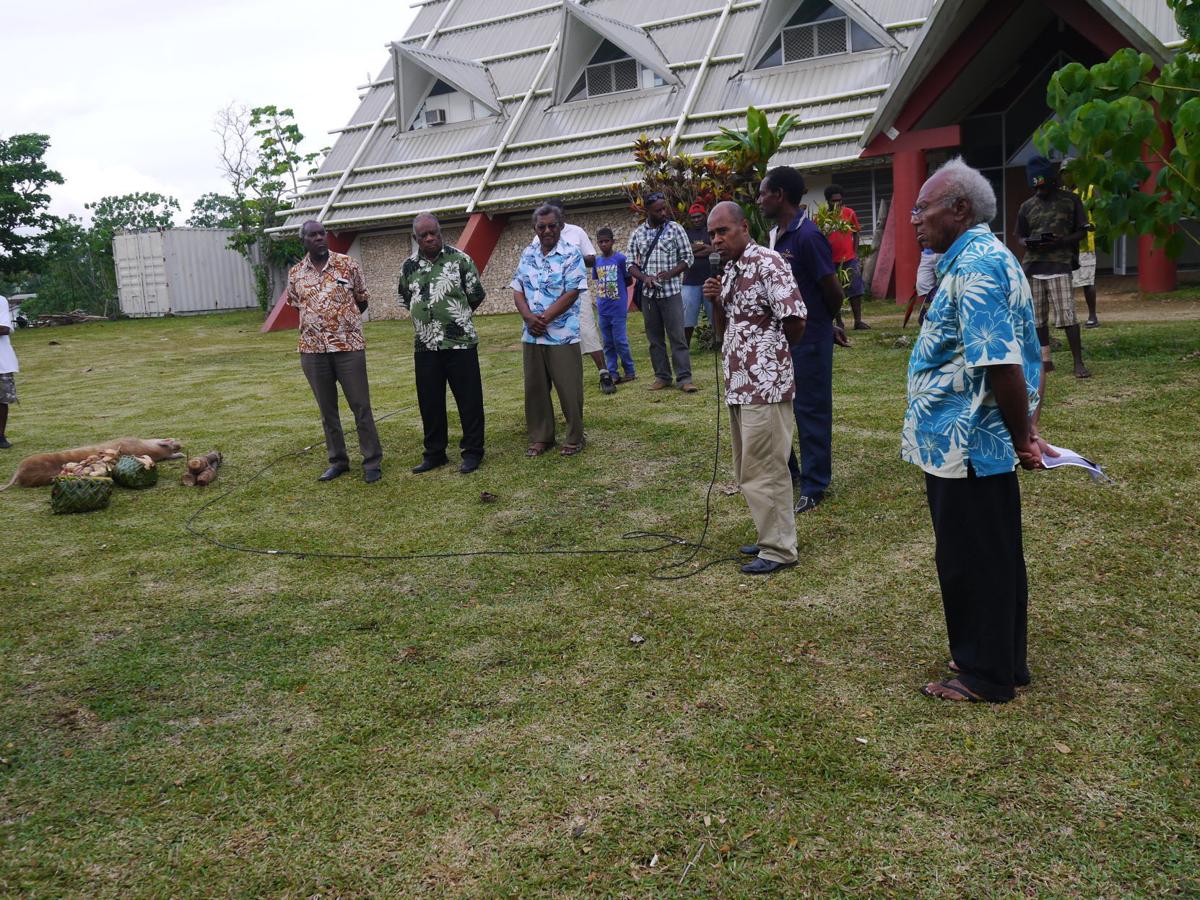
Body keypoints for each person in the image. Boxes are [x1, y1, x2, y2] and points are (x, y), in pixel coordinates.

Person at [906, 157, 1055, 703]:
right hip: (967, 440)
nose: (914, 218)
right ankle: (999, 658)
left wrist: (1023, 438)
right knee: (991, 551)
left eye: (923, 207)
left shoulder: (976, 268)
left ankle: (984, 674)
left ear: (959, 208)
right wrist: (1028, 428)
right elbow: (1028, 350)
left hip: (967, 440)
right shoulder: (985, 258)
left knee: (972, 556)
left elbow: (1002, 363)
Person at [702, 201, 807, 575]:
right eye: (712, 233)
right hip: (738, 385)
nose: (716, 239)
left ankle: (779, 550)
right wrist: (715, 301)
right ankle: (770, 534)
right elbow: (723, 329)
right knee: (748, 467)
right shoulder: (729, 270)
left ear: (744, 227)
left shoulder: (769, 263)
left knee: (767, 467)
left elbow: (795, 319)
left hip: (764, 386)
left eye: (723, 231)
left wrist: (770, 358)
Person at [759, 166, 845, 515]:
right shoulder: (775, 235)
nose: (759, 199)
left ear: (780, 195)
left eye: (764, 192)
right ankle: (792, 472)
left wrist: (824, 322)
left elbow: (833, 289)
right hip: (783, 337)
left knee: (811, 410)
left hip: (810, 338)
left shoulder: (807, 236)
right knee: (780, 408)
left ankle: (814, 485)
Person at [286, 220, 383, 483]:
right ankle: (338, 460)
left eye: (321, 234)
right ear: (304, 240)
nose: (319, 238)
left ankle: (372, 461)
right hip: (312, 351)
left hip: (348, 347)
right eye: (312, 235)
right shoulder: (296, 273)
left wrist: (341, 324)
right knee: (327, 410)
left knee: (360, 406)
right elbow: (297, 305)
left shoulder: (347, 264)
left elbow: (361, 299)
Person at [397, 212, 487, 475]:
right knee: (430, 402)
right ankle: (435, 453)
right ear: (415, 238)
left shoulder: (461, 260)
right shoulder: (408, 267)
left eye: (433, 233)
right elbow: (405, 299)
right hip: (425, 346)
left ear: (441, 232)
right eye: (423, 235)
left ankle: (472, 452)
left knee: (469, 401)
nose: (429, 238)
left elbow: (475, 296)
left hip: (460, 343)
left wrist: (453, 318)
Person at [513, 204, 588, 457]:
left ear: (561, 225)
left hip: (561, 334)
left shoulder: (571, 254)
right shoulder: (528, 253)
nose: (547, 231)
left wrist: (542, 319)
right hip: (531, 334)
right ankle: (541, 436)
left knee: (569, 388)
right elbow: (518, 288)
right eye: (541, 226)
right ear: (535, 228)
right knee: (535, 389)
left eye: (552, 226)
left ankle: (575, 437)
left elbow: (572, 291)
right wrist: (527, 317)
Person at [1017, 156, 1092, 378]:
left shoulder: (1071, 200)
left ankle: (1078, 363)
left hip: (1059, 264)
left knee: (1067, 315)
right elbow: (1019, 236)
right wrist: (1030, 242)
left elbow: (1082, 230)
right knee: (1037, 318)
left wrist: (1061, 241)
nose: (1039, 191)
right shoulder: (1026, 206)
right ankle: (1045, 360)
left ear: (1052, 180)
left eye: (1043, 186)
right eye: (1035, 188)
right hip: (1032, 266)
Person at [544, 198, 615, 395]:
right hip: (552, 295)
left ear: (563, 214)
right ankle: (555, 379)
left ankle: (604, 374)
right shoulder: (542, 235)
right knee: (554, 335)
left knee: (587, 331)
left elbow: (592, 259)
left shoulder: (576, 232)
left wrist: (570, 257)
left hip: (578, 291)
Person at [628, 193, 697, 393]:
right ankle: (662, 376)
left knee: (677, 336)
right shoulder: (638, 233)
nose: (664, 213)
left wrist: (670, 273)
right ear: (647, 211)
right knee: (654, 339)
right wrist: (644, 278)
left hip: (672, 292)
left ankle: (684, 379)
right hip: (649, 296)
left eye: (664, 208)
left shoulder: (675, 229)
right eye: (658, 210)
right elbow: (630, 263)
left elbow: (688, 258)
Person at [592, 227, 636, 384]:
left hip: (617, 309)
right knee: (608, 343)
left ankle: (630, 370)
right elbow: (597, 280)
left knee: (620, 341)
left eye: (606, 241)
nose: (603, 244)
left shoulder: (620, 259)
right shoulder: (597, 261)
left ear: (613, 241)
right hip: (603, 309)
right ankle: (613, 372)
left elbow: (628, 280)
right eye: (600, 242)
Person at [824, 184, 869, 331]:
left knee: (855, 290)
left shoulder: (849, 213)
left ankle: (858, 321)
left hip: (849, 259)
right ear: (828, 201)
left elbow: (856, 232)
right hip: (830, 261)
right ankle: (839, 323)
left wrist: (854, 252)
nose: (837, 204)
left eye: (840, 201)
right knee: (834, 293)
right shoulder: (822, 217)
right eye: (834, 201)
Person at [1061, 164, 1100, 327]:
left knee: (1087, 281)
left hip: (1084, 243)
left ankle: (1093, 316)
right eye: (1063, 174)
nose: (1066, 177)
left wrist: (1091, 225)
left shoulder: (1089, 189)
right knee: (1065, 283)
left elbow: (1099, 211)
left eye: (1069, 173)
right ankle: (1068, 317)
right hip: (1066, 244)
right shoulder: (1061, 193)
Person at [681, 202, 715, 348]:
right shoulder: (686, 233)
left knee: (715, 314)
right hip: (690, 282)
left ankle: (720, 344)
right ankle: (684, 346)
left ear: (704, 216)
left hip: (711, 280)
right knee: (687, 317)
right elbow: (684, 251)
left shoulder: (711, 231)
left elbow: (715, 249)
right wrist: (705, 248)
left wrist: (695, 250)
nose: (696, 220)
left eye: (698, 217)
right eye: (693, 217)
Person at [0, 294, 18, 450]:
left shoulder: (0, 300)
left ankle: (0, 436)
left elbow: (4, 328)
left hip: (1, 361)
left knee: (2, 400)